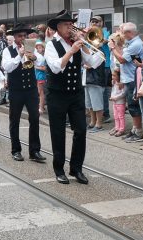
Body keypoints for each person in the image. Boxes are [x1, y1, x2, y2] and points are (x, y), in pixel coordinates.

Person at [44, 10, 104, 185]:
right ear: (58, 27)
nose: (71, 27)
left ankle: (76, 168)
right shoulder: (51, 44)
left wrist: (84, 44)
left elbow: (94, 62)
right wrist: (71, 50)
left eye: (72, 24)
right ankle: (59, 169)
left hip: (76, 93)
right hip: (57, 94)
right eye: (67, 25)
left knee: (80, 131)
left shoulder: (77, 42)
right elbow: (55, 67)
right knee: (58, 132)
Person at [1, 25, 46, 162]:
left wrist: (34, 57)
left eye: (24, 36)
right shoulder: (8, 51)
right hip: (16, 90)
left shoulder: (30, 47)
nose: (22, 38)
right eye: (20, 36)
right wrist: (20, 55)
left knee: (34, 118)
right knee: (14, 120)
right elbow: (7, 67)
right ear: (14, 37)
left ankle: (35, 151)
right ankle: (16, 150)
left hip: (31, 89)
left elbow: (42, 60)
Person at [110, 23, 143, 142]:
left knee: (133, 105)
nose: (122, 35)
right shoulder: (131, 43)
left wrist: (113, 48)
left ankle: (139, 131)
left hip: (132, 78)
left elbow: (122, 59)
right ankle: (135, 129)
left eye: (123, 32)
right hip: (129, 78)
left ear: (130, 33)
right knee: (131, 105)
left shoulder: (135, 44)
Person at [34, 40, 47, 114]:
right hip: (37, 75)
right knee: (39, 92)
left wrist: (35, 66)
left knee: (41, 92)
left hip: (40, 76)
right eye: (37, 48)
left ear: (43, 48)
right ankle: (41, 106)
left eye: (40, 48)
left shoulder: (43, 57)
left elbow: (44, 68)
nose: (38, 49)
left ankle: (41, 108)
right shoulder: (38, 56)